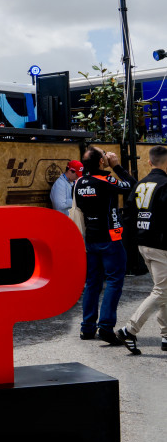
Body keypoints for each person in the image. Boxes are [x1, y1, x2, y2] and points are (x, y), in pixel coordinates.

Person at [75, 146, 136, 343]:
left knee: (92, 283)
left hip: (91, 239)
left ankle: (87, 328)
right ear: (101, 161)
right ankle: (106, 327)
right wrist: (117, 166)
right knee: (114, 281)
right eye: (104, 154)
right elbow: (132, 186)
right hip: (110, 239)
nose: (107, 155)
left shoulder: (78, 182)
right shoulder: (106, 180)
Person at [116, 145, 167, 354]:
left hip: (143, 243)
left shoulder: (141, 185)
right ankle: (130, 329)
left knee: (164, 289)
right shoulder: (165, 185)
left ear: (149, 162)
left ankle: (165, 336)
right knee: (161, 290)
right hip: (161, 244)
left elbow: (127, 214)